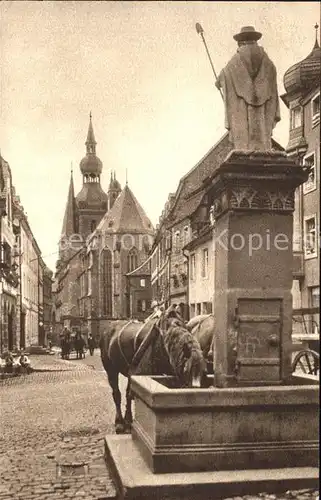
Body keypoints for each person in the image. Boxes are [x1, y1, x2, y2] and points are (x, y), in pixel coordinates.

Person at [216, 26, 280, 151]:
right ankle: (262, 147)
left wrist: (220, 81)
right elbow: (272, 75)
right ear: (255, 39)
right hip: (263, 108)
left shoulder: (236, 59)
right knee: (262, 129)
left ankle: (244, 148)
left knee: (242, 129)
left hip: (242, 108)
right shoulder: (267, 61)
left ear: (241, 40)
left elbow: (225, 75)